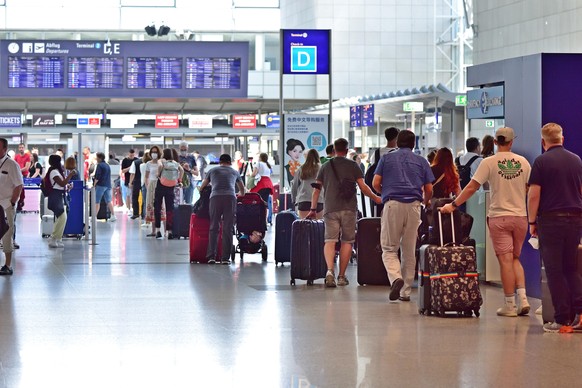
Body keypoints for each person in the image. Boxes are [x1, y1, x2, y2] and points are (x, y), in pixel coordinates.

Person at [441, 127, 531, 317]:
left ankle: (510, 305)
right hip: (520, 217)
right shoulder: (523, 162)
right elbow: (529, 189)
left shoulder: (489, 162)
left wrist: (454, 204)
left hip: (499, 216)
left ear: (496, 143)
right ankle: (523, 299)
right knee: (515, 258)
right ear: (511, 141)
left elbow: (472, 187)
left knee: (505, 261)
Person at [527, 123, 582, 333]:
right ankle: (580, 314)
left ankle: (562, 319)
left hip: (551, 221)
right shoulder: (576, 160)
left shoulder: (541, 162)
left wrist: (532, 222)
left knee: (554, 270)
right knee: (571, 268)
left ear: (543, 142)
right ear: (562, 138)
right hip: (575, 220)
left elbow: (534, 195)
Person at [309, 138, 382, 287]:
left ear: (334, 149)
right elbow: (363, 186)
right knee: (347, 241)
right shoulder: (353, 165)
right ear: (347, 150)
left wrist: (312, 209)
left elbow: (316, 190)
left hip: (330, 208)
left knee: (330, 240)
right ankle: (341, 276)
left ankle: (330, 271)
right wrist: (375, 197)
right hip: (349, 209)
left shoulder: (325, 166)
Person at [372, 130, 434, 301]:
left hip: (392, 204)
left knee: (389, 248)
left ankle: (395, 278)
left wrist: (384, 192)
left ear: (397, 142)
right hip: (414, 206)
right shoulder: (421, 161)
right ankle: (405, 291)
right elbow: (429, 189)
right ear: (414, 144)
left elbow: (375, 183)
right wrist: (425, 202)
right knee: (409, 250)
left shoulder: (386, 158)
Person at [199, 153, 245, 264]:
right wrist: (239, 194)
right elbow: (242, 190)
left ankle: (211, 257)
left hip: (215, 198)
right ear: (230, 162)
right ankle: (225, 258)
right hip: (230, 197)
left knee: (214, 226)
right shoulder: (234, 171)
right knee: (228, 228)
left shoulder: (213, 170)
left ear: (220, 162)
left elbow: (202, 187)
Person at [0, 138, 23, 275]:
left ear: (5, 149)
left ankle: (8, 265)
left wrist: (12, 203)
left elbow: (19, 185)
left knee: (7, 235)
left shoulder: (12, 165)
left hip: (6, 205)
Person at [46, 155, 76, 248]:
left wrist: (68, 187)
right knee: (62, 217)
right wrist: (70, 175)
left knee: (61, 218)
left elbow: (62, 185)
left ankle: (56, 238)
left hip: (59, 195)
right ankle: (54, 237)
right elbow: (61, 183)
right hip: (55, 197)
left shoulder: (57, 172)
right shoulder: (54, 172)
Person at [154, 148, 183, 240]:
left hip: (161, 185)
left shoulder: (161, 161)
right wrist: (179, 180)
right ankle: (170, 231)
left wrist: (158, 174)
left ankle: (158, 230)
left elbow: (159, 167)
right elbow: (181, 170)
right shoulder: (175, 162)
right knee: (169, 209)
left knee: (157, 207)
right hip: (171, 186)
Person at [291, 149, 324, 219]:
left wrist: (294, 200)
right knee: (318, 227)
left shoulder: (301, 169)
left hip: (303, 201)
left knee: (304, 227)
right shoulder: (322, 168)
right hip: (319, 201)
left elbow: (295, 186)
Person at [144, 146, 165, 236]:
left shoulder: (162, 162)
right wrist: (147, 185)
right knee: (151, 206)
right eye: (152, 152)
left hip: (161, 184)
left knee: (162, 206)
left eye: (156, 152)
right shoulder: (148, 163)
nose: (154, 154)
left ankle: (166, 230)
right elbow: (146, 176)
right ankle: (153, 231)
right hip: (151, 186)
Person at [93, 152, 116, 222]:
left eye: (96, 157)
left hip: (100, 185)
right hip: (108, 185)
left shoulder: (99, 165)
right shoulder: (107, 165)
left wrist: (94, 185)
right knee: (109, 201)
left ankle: (94, 217)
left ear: (99, 158)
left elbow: (97, 176)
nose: (96, 158)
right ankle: (113, 215)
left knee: (97, 201)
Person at [14, 143, 30, 212]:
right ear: (18, 148)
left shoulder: (27, 156)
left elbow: (26, 168)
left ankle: (21, 200)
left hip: (24, 175)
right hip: (17, 175)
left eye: (22, 147)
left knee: (22, 189)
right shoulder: (16, 156)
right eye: (20, 147)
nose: (21, 149)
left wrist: (19, 170)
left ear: (24, 148)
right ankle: (18, 201)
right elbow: (14, 165)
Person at [128, 151, 144, 220]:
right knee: (144, 198)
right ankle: (143, 213)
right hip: (144, 182)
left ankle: (136, 213)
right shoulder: (147, 162)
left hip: (136, 181)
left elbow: (132, 174)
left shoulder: (135, 162)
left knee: (135, 197)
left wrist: (130, 182)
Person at [121, 149, 137, 214]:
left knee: (135, 195)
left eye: (133, 155)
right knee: (128, 195)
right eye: (130, 155)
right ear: (128, 154)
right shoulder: (125, 160)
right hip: (128, 180)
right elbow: (123, 170)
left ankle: (134, 208)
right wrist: (130, 168)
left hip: (135, 180)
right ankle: (128, 209)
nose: (132, 156)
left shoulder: (136, 160)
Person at [139, 151, 150, 226]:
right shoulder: (152, 165)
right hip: (152, 184)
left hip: (143, 184)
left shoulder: (141, 165)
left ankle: (146, 219)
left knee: (145, 202)